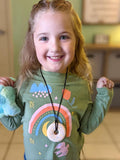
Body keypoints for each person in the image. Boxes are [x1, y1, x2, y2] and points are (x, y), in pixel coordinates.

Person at [0, 0, 114, 160]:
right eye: (44, 38)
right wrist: (3, 97)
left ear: (77, 40)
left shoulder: (80, 84)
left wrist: (103, 96)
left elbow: (87, 126)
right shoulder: (25, 82)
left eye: (64, 37)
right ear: (33, 41)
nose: (55, 47)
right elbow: (11, 123)